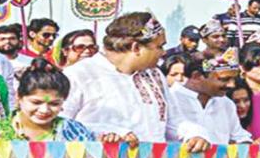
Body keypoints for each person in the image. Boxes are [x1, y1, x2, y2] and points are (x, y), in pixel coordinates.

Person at [62, 12, 210, 150]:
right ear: (136, 47)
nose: (164, 52)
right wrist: (105, 132)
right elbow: (59, 125)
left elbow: (172, 121)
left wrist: (194, 134)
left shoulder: (154, 75)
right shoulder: (79, 74)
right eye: (159, 46)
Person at [0, 59, 94, 142]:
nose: (44, 110)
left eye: (54, 104)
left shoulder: (75, 131)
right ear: (19, 97)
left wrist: (107, 144)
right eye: (36, 102)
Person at [169, 50, 254, 144]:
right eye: (224, 79)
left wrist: (256, 144)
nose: (232, 85)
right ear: (196, 77)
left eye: (233, 79)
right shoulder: (170, 99)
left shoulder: (226, 103)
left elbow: (239, 137)